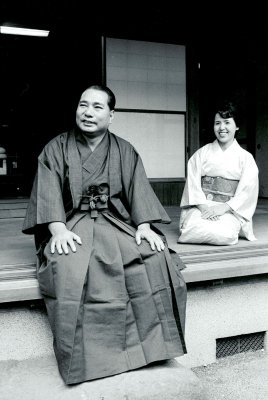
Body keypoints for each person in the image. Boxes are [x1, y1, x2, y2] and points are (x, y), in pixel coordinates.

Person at [22, 84, 187, 385]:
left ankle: (147, 350)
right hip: (71, 222)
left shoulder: (124, 149)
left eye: (97, 107)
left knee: (153, 256)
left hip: (114, 221)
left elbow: (138, 192)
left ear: (112, 115)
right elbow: (47, 193)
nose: (87, 112)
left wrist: (145, 225)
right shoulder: (56, 148)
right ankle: (87, 361)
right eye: (83, 105)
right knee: (69, 264)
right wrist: (56, 229)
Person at [178, 100, 259, 246]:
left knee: (224, 234)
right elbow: (192, 185)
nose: (222, 128)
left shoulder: (246, 158)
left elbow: (247, 191)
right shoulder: (202, 153)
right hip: (203, 205)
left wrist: (224, 208)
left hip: (229, 208)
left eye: (227, 122)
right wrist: (204, 208)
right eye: (217, 123)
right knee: (190, 230)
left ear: (237, 126)